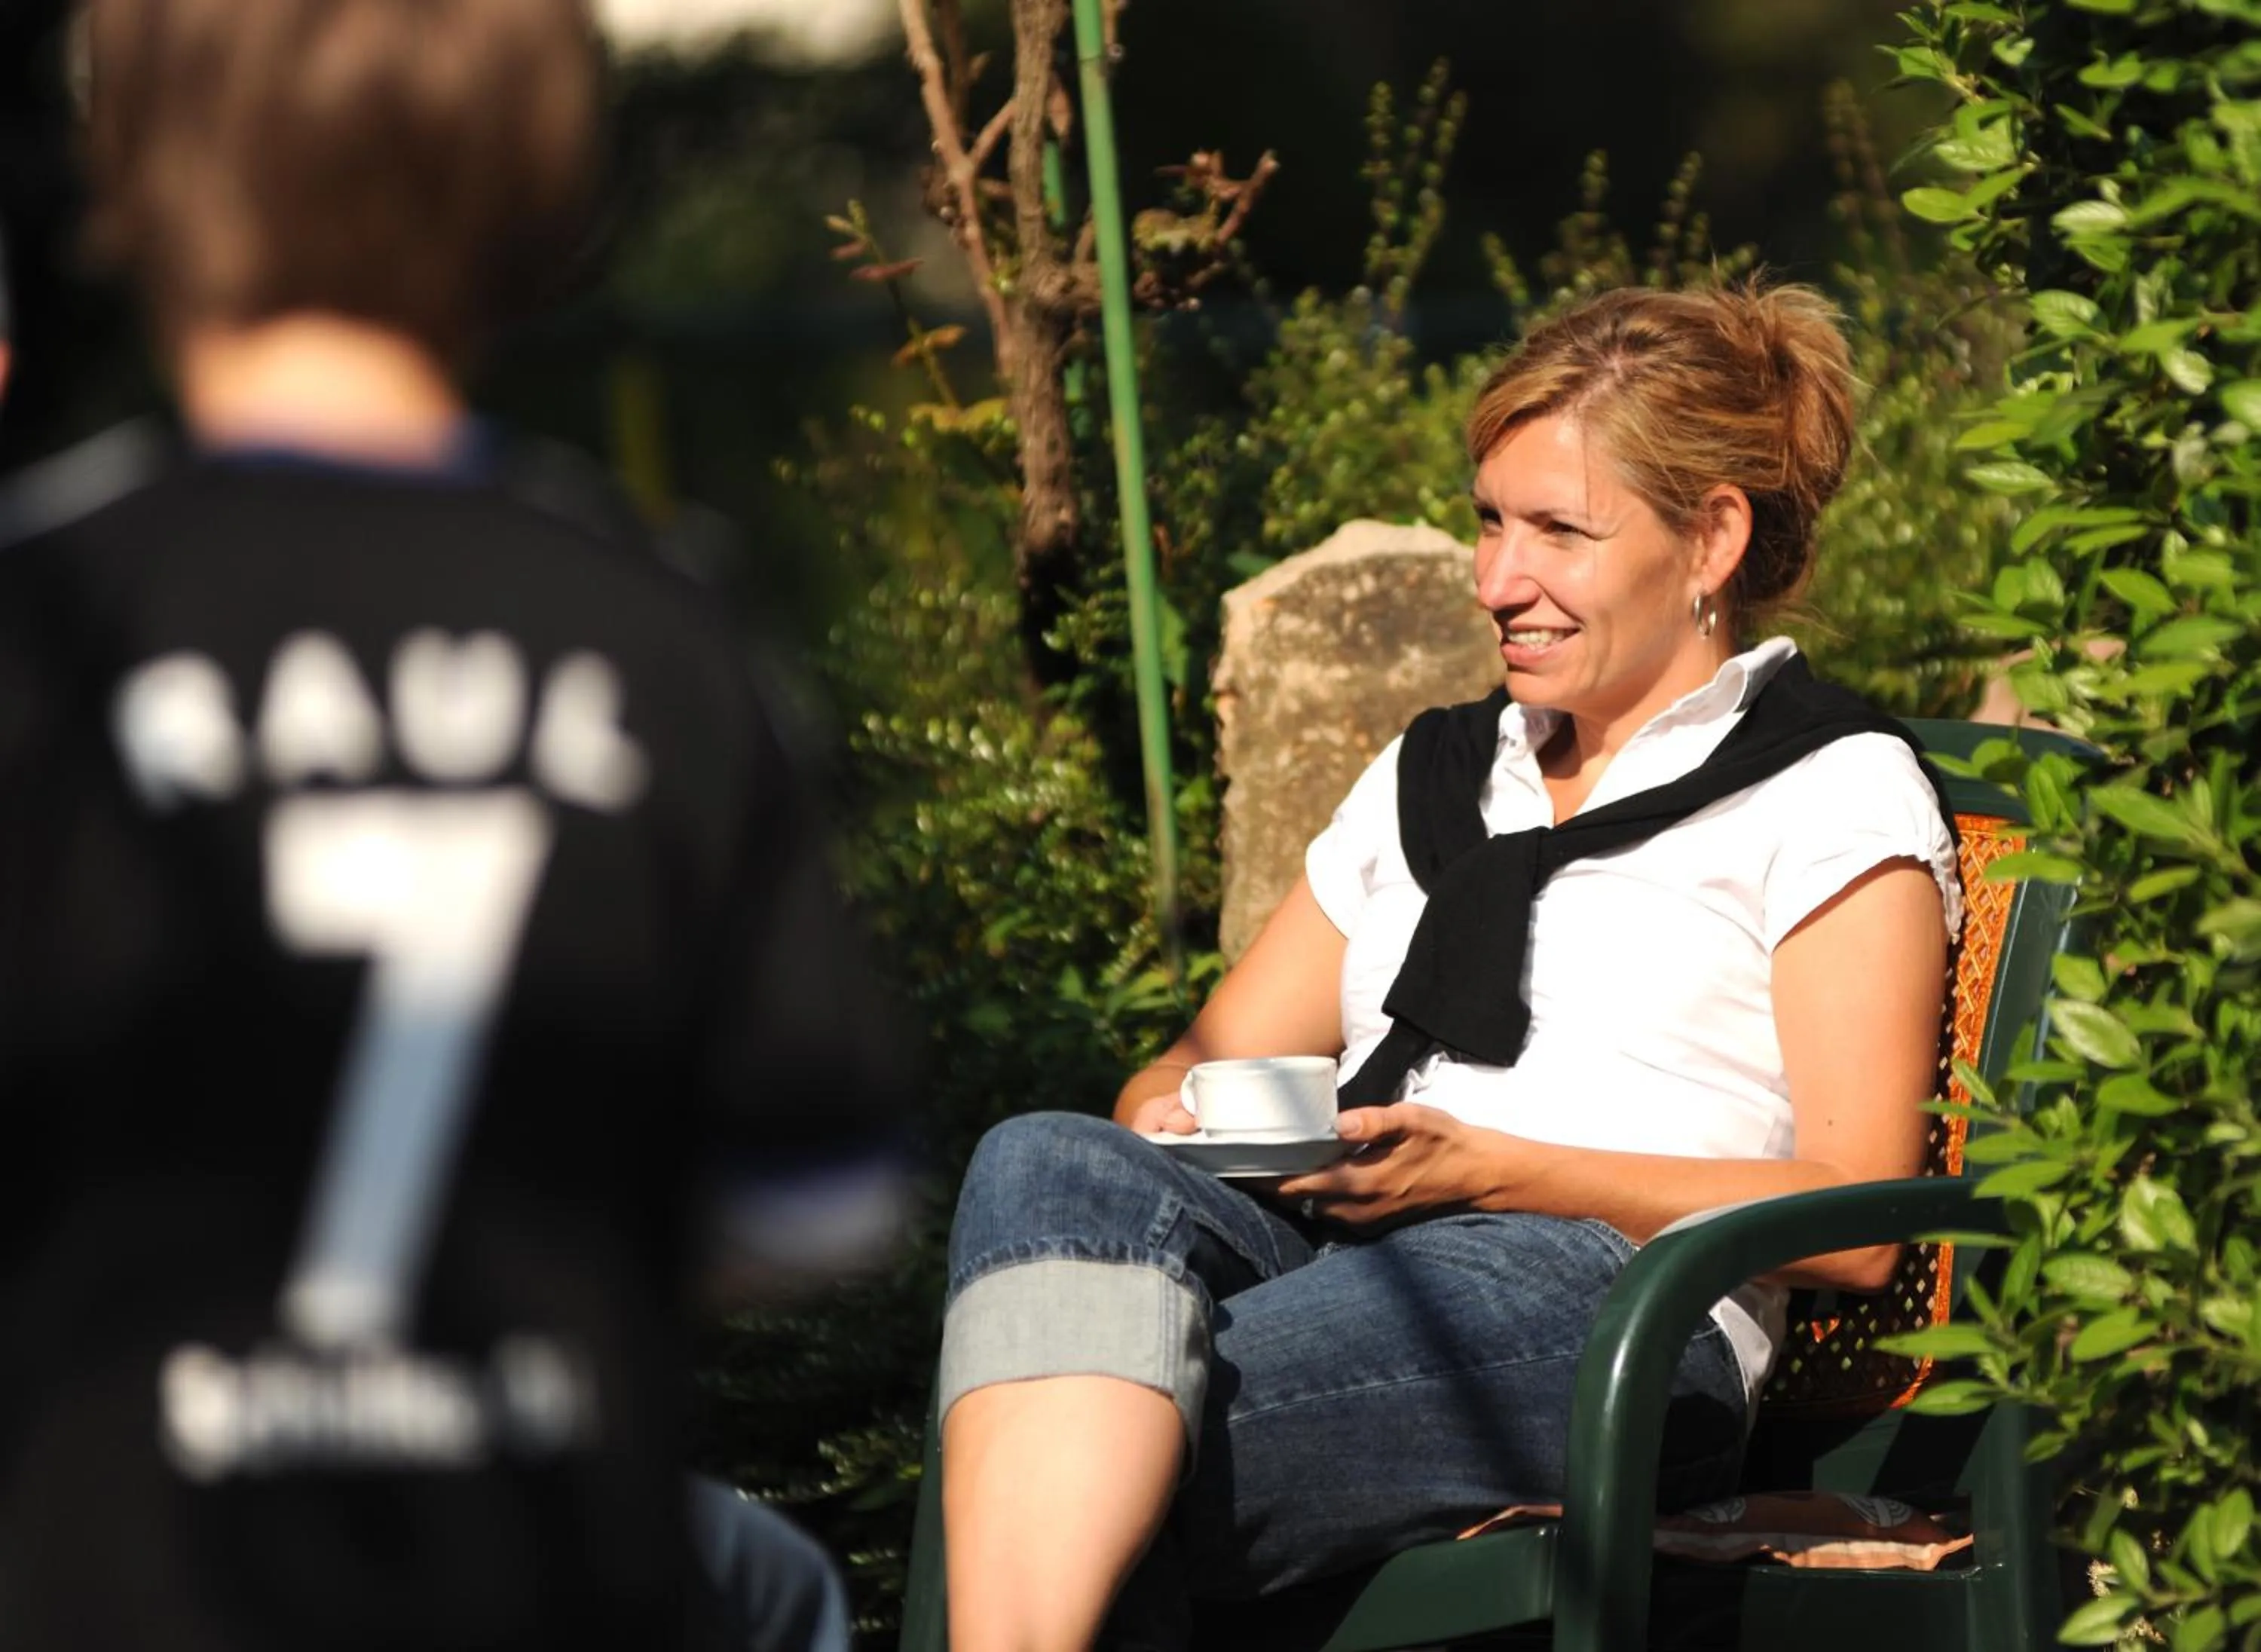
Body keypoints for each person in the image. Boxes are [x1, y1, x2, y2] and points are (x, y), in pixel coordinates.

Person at [0, 2, 910, 1648]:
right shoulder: (655, 624)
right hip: (548, 1567)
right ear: (546, 195)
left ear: (122, 166)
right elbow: (814, 1192)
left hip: (127, 1573)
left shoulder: (52, 612)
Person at [935, 282, 1963, 1651]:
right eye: (1490, 519)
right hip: (1337, 1240)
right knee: (1047, 1162)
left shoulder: (1825, 789)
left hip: (1609, 1306)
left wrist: (1498, 1169)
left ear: (1712, 535)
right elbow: (1193, 1056)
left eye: (1559, 532)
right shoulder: (1437, 772)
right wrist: (1181, 1119)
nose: (1496, 580)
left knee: (1064, 1421)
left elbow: (1853, 1216)